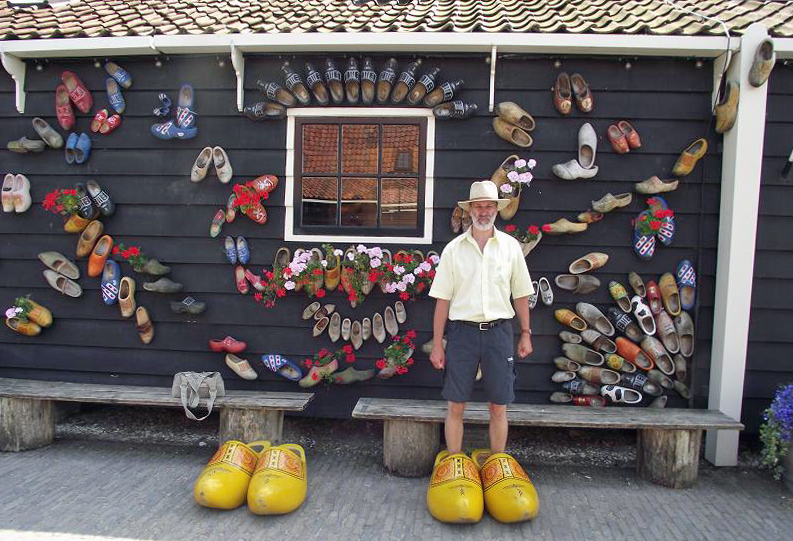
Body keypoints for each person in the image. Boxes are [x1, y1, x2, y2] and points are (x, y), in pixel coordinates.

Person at [428, 180, 533, 456]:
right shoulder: (453, 250)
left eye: (489, 206)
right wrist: (438, 344)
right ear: (470, 210)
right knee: (455, 405)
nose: (483, 211)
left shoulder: (511, 248)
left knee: (499, 406)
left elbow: (521, 294)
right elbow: (442, 300)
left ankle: (498, 463)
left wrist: (526, 332)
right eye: (478, 206)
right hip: (462, 334)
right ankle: (454, 462)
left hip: (499, 334)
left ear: (496, 210)